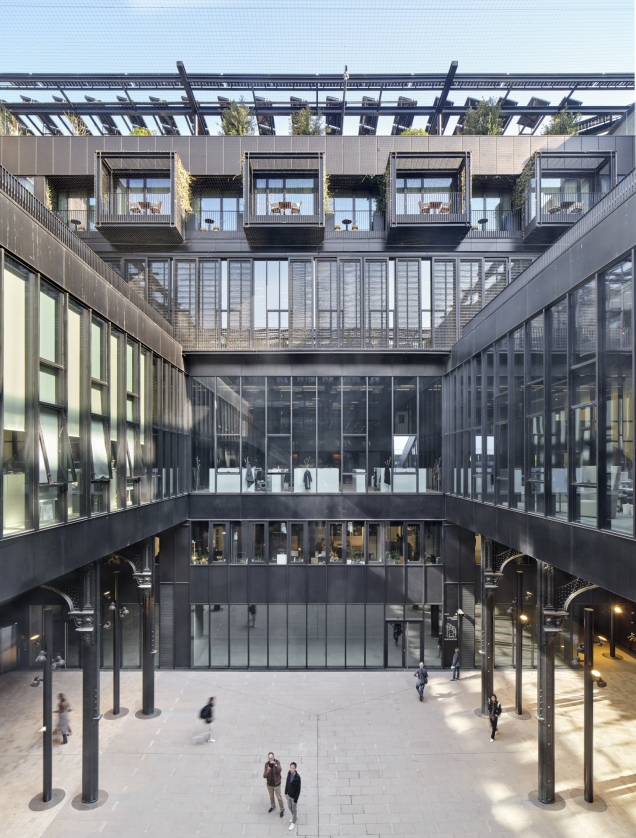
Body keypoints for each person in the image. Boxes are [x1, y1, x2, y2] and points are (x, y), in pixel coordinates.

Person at [263, 752, 285, 818]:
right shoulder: (266, 764)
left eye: (271, 758)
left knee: (279, 797)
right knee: (271, 797)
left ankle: (282, 809)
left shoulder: (277, 762)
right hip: (270, 784)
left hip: (276, 784)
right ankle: (273, 806)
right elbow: (264, 775)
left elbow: (280, 770)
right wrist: (267, 771)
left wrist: (275, 765)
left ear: (273, 757)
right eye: (269, 758)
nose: (270, 760)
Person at [284, 761, 301, 831]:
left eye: (293, 768)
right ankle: (295, 816)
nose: (291, 769)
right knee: (289, 806)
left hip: (294, 797)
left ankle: (293, 822)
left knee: (294, 809)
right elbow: (287, 783)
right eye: (290, 767)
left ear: (295, 769)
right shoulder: (289, 773)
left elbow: (298, 790)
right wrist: (285, 792)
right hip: (289, 794)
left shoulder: (297, 778)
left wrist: (295, 800)